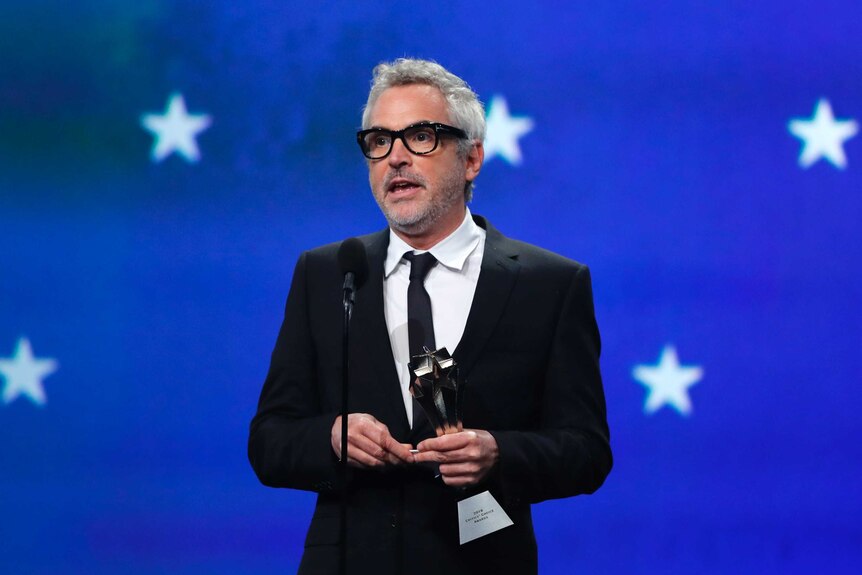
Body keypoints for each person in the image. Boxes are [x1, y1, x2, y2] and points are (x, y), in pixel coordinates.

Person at [248, 58, 611, 575]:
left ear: (472, 158)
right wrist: (332, 437)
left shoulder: (548, 283)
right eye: (378, 141)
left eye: (420, 136)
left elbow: (586, 451)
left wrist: (497, 453)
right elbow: (269, 440)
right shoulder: (327, 274)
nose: (395, 157)